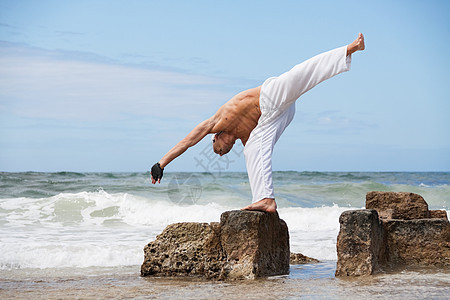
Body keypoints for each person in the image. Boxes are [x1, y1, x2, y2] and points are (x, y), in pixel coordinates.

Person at [151, 33, 365, 213]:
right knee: (253, 151)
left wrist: (161, 163)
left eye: (218, 150)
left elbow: (186, 142)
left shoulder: (216, 121)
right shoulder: (247, 138)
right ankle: (265, 199)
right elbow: (260, 161)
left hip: (270, 96)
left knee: (300, 74)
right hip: (277, 116)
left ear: (215, 138)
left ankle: (350, 48)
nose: (222, 153)